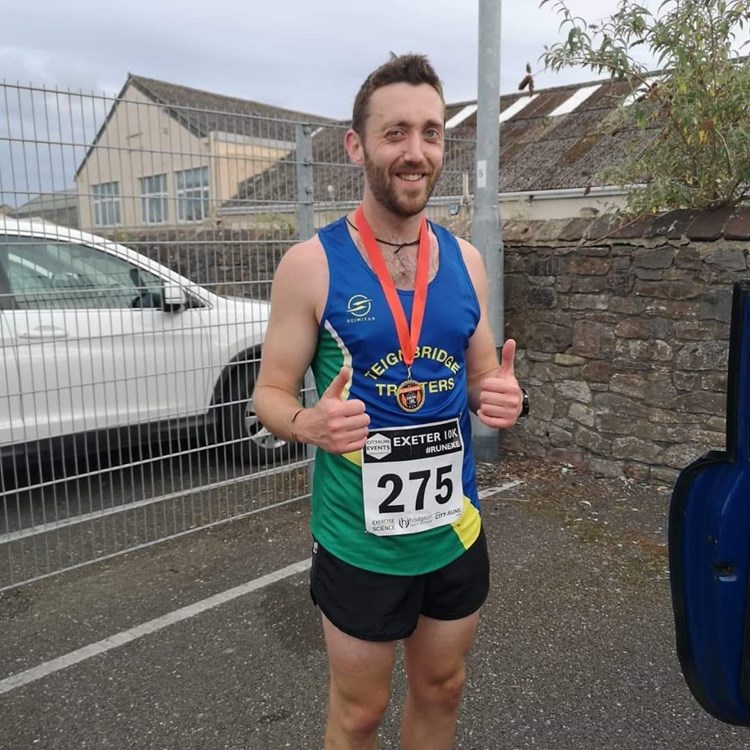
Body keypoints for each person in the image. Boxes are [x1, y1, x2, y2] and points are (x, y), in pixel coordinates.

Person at [254, 53, 524, 750]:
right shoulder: (310, 265)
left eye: (431, 132)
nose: (416, 152)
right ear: (357, 145)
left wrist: (499, 398)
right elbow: (270, 395)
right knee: (359, 714)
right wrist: (308, 423)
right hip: (360, 543)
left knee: (443, 688)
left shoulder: (466, 261)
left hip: (453, 528)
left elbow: (481, 379)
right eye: (396, 132)